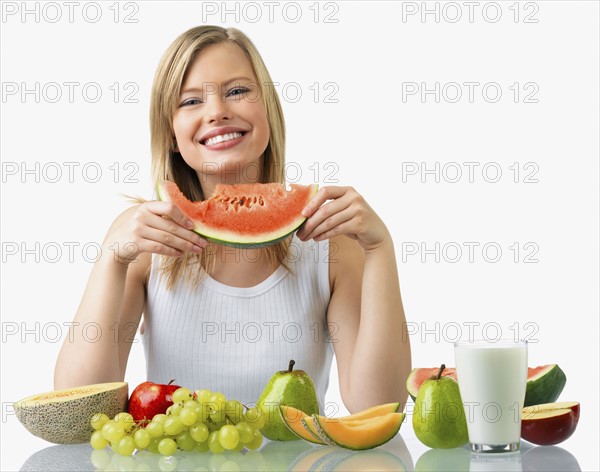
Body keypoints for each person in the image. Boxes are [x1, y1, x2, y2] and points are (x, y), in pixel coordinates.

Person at [54, 25, 411, 414]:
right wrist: (111, 259)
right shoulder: (146, 239)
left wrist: (379, 248)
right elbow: (80, 410)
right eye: (190, 101)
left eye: (237, 91)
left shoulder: (330, 238)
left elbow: (378, 404)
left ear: (269, 112)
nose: (217, 111)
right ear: (171, 135)